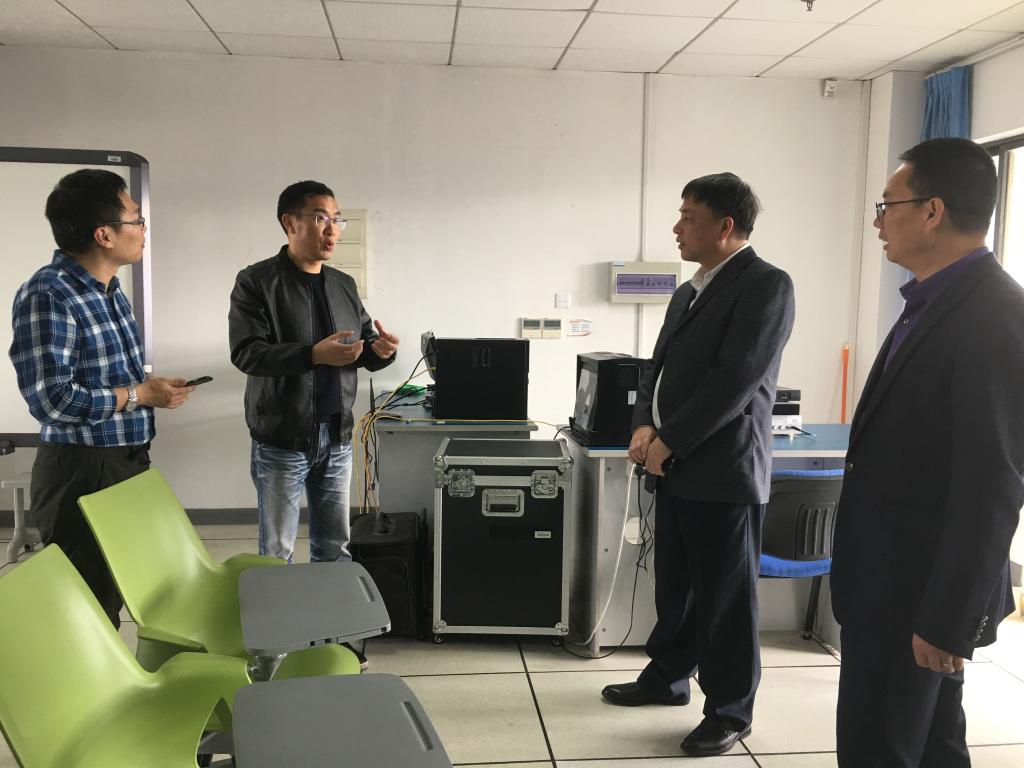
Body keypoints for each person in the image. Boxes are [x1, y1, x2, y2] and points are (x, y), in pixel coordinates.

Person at [830, 137, 1024, 767]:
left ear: (932, 211)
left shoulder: (995, 315)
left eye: (887, 206)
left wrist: (948, 618)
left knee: (879, 747)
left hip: (917, 594)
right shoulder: (934, 299)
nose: (879, 223)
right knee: (934, 745)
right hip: (891, 581)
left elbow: (993, 482)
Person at [601, 173, 795, 757]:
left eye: (689, 217)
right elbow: (654, 367)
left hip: (723, 471)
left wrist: (672, 440)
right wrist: (642, 424)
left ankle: (731, 709)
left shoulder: (766, 285)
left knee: (726, 599)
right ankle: (667, 678)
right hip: (676, 467)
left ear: (725, 226)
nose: (677, 227)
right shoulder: (690, 290)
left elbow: (735, 379)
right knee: (676, 586)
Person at [9, 169, 195, 627]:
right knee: (88, 605)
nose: (144, 228)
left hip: (125, 461)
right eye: (137, 219)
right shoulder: (49, 293)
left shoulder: (110, 290)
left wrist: (150, 392)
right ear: (104, 234)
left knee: (121, 588)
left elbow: (110, 382)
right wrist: (138, 394)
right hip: (82, 469)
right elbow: (52, 401)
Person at [229, 180, 398, 568]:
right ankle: (278, 609)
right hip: (282, 438)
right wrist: (313, 355)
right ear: (290, 223)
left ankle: (330, 609)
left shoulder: (342, 284)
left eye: (337, 220)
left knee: (335, 548)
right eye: (321, 218)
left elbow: (362, 345)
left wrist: (381, 352)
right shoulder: (256, 282)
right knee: (277, 553)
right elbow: (247, 353)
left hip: (337, 436)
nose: (332, 230)